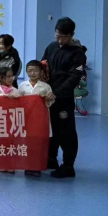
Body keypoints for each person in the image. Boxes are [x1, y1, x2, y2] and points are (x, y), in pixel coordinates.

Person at [42, 17, 87, 179]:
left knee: (65, 131)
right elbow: (43, 64)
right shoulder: (51, 47)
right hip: (48, 96)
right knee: (51, 129)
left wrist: (58, 92)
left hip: (63, 98)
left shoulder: (78, 53)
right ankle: (51, 159)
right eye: (57, 36)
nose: (59, 40)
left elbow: (74, 77)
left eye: (63, 37)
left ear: (71, 35)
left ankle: (68, 166)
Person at [19, 60, 55, 178]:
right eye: (30, 71)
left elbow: (50, 103)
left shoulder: (46, 86)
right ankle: (28, 165)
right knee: (28, 142)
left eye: (35, 71)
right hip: (27, 118)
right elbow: (19, 102)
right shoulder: (22, 86)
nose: (32, 73)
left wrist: (49, 99)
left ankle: (37, 166)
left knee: (39, 143)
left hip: (41, 119)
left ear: (41, 72)